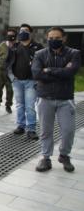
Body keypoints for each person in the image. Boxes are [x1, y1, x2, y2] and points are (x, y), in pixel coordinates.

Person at [32, 27, 80, 172]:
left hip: (65, 99)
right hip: (45, 98)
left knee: (68, 130)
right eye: (50, 38)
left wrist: (49, 70)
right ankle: (46, 158)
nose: (53, 40)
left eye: (57, 38)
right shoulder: (40, 54)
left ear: (64, 38)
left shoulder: (74, 53)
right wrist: (60, 72)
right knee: (46, 130)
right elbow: (36, 73)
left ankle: (64, 155)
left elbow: (70, 72)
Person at [6, 24, 43, 140]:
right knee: (20, 105)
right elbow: (8, 63)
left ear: (30, 33)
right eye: (21, 30)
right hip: (17, 81)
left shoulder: (37, 47)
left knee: (30, 106)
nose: (23, 32)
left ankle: (31, 129)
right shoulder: (14, 46)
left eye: (25, 30)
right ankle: (21, 126)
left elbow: (42, 63)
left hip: (31, 82)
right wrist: (12, 77)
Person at [0, 28, 16, 113]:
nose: (10, 36)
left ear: (15, 36)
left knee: (10, 90)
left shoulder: (17, 46)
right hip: (0, 71)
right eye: (9, 34)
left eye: (12, 35)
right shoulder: (2, 45)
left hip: (10, 72)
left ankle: (8, 106)